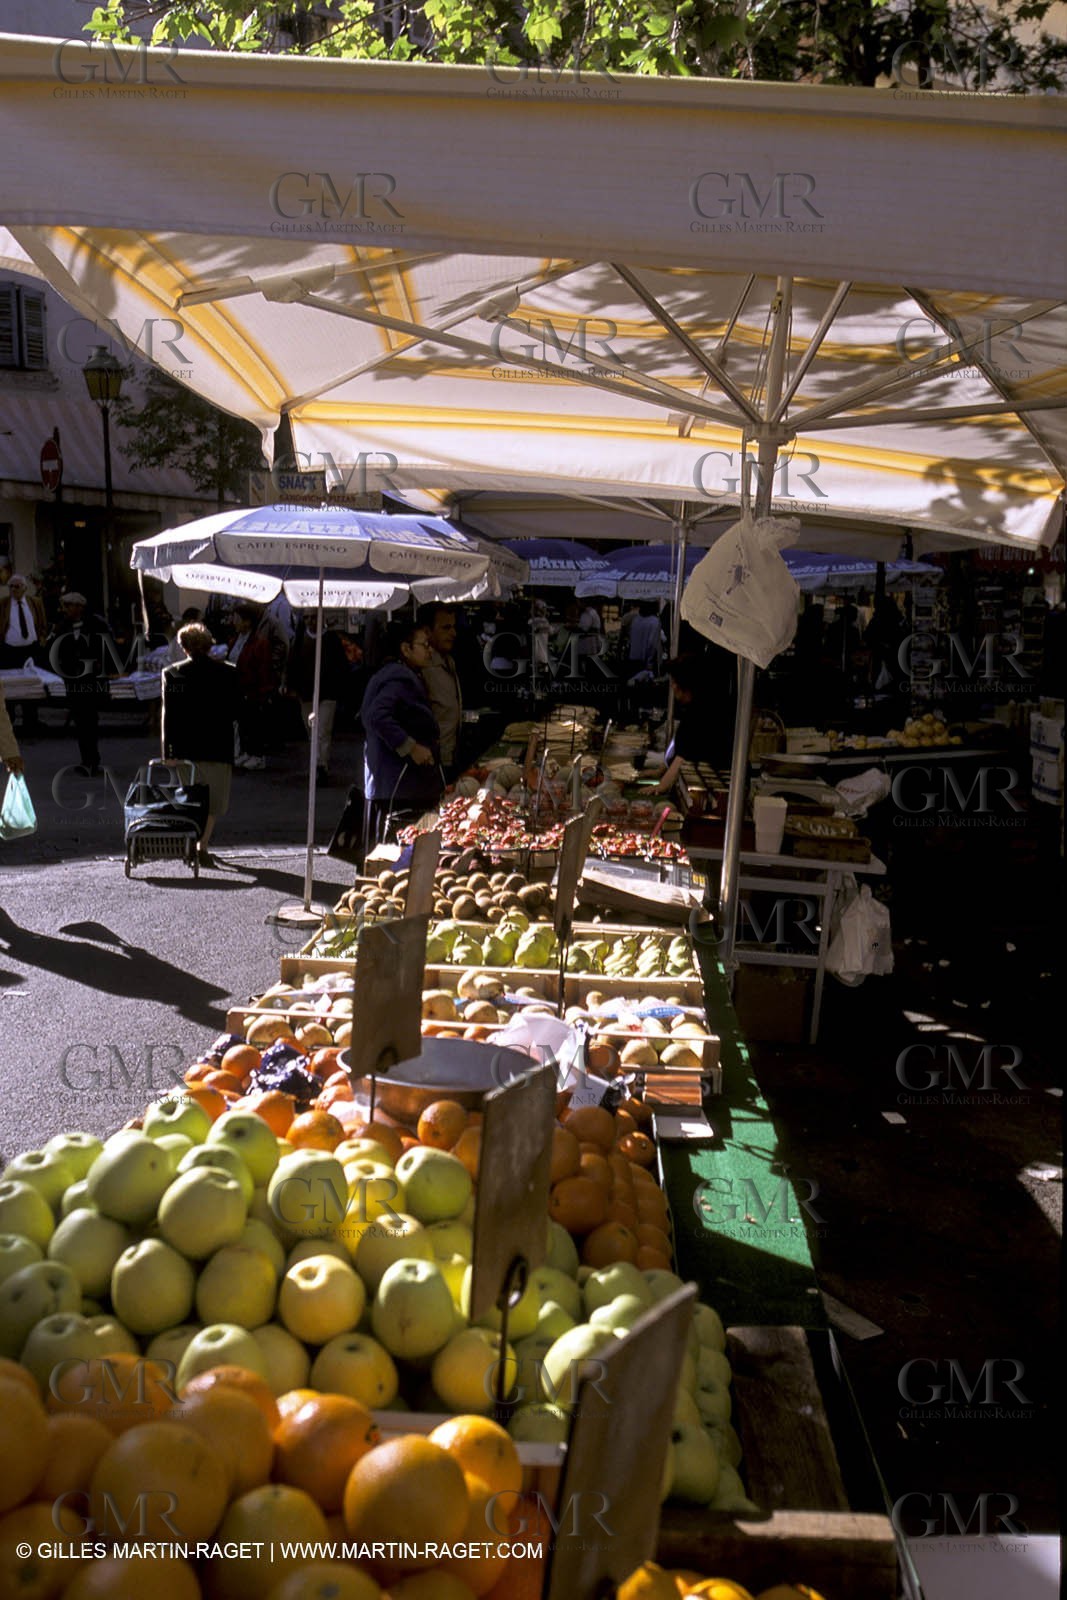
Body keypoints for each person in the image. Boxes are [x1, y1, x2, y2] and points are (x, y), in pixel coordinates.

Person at [161, 622, 240, 867]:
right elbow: (236, 710)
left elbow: (169, 715)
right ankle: (202, 845)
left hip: (186, 746)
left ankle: (194, 843)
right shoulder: (228, 672)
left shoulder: (172, 673)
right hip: (218, 743)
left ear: (184, 647)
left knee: (192, 797)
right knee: (214, 801)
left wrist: (168, 751)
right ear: (209, 645)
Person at [360, 620, 443, 849]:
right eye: (424, 644)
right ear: (405, 649)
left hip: (389, 782)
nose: (430, 650)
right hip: (400, 784)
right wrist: (411, 747)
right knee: (398, 850)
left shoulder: (393, 674)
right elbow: (377, 716)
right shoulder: (399, 678)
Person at [44, 593, 115, 776]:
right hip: (73, 680)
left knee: (90, 720)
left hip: (91, 679)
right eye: (65, 606)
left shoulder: (96, 624)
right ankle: (86, 760)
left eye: (70, 606)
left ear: (79, 607)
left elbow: (108, 647)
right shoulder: (63, 626)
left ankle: (93, 761)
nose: (67, 610)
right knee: (80, 721)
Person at [285, 612, 350, 782]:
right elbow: (291, 663)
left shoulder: (331, 639)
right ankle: (317, 761)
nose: (310, 621)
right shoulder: (299, 639)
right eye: (306, 618)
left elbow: (341, 666)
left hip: (328, 692)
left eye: (313, 617)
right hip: (305, 692)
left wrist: (340, 687)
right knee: (311, 729)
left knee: (323, 729)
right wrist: (289, 685)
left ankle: (320, 764)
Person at [655, 652, 730, 794]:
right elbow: (677, 749)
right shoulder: (692, 708)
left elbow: (683, 755)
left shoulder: (702, 712)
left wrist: (662, 785)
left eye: (673, 681)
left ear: (683, 684)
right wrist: (660, 771)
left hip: (710, 787)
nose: (672, 686)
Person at [416, 602, 462, 777]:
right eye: (446, 628)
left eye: (454, 627)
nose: (453, 633)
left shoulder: (448, 661)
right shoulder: (422, 667)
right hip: (432, 761)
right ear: (427, 632)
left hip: (450, 756)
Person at [227, 603, 275, 770]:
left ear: (247, 622)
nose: (234, 622)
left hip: (253, 689)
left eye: (237, 619)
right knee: (243, 722)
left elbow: (263, 668)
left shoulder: (259, 643)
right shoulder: (234, 641)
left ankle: (258, 756)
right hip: (238, 688)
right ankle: (246, 752)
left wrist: (264, 691)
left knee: (254, 722)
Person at [0, 575, 47, 735]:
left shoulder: (35, 602)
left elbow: (42, 623)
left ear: (25, 588)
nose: (14, 590)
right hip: (9, 651)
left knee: (32, 683)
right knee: (10, 684)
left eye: (17, 586)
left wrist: (41, 639)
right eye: (11, 587)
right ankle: (10, 719)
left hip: (31, 649)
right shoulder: (4, 604)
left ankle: (31, 719)